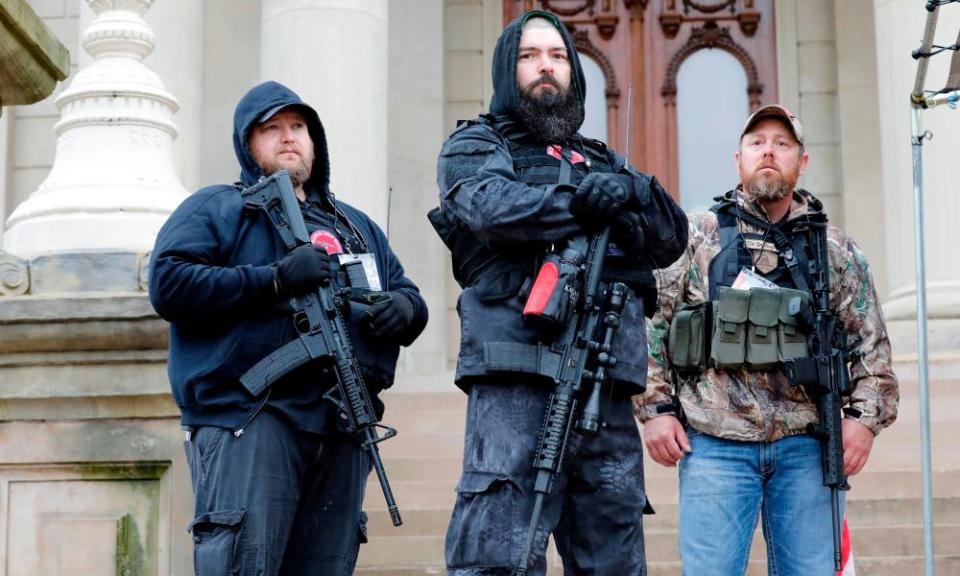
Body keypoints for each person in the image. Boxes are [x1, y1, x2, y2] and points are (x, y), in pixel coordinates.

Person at [431, 10, 688, 575]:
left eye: (556, 56)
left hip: (605, 384)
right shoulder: (476, 142)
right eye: (529, 56)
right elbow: (488, 207)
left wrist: (630, 188)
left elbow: (670, 239)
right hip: (518, 373)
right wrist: (579, 202)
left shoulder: (603, 160)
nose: (545, 67)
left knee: (614, 553)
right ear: (507, 69)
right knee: (499, 551)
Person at [149, 81, 428, 576]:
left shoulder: (355, 224)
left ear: (314, 140)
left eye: (297, 127)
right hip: (252, 419)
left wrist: (405, 311)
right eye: (271, 129)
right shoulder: (219, 207)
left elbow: (407, 292)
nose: (288, 137)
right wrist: (272, 279)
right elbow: (169, 283)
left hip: (343, 427)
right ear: (247, 144)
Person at [635, 104, 899, 575]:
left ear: (802, 160)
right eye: (757, 143)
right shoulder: (697, 235)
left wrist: (862, 421)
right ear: (737, 158)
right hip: (714, 445)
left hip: (808, 447)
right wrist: (654, 410)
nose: (769, 152)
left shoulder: (835, 250)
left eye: (782, 144)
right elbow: (650, 324)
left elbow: (873, 353)